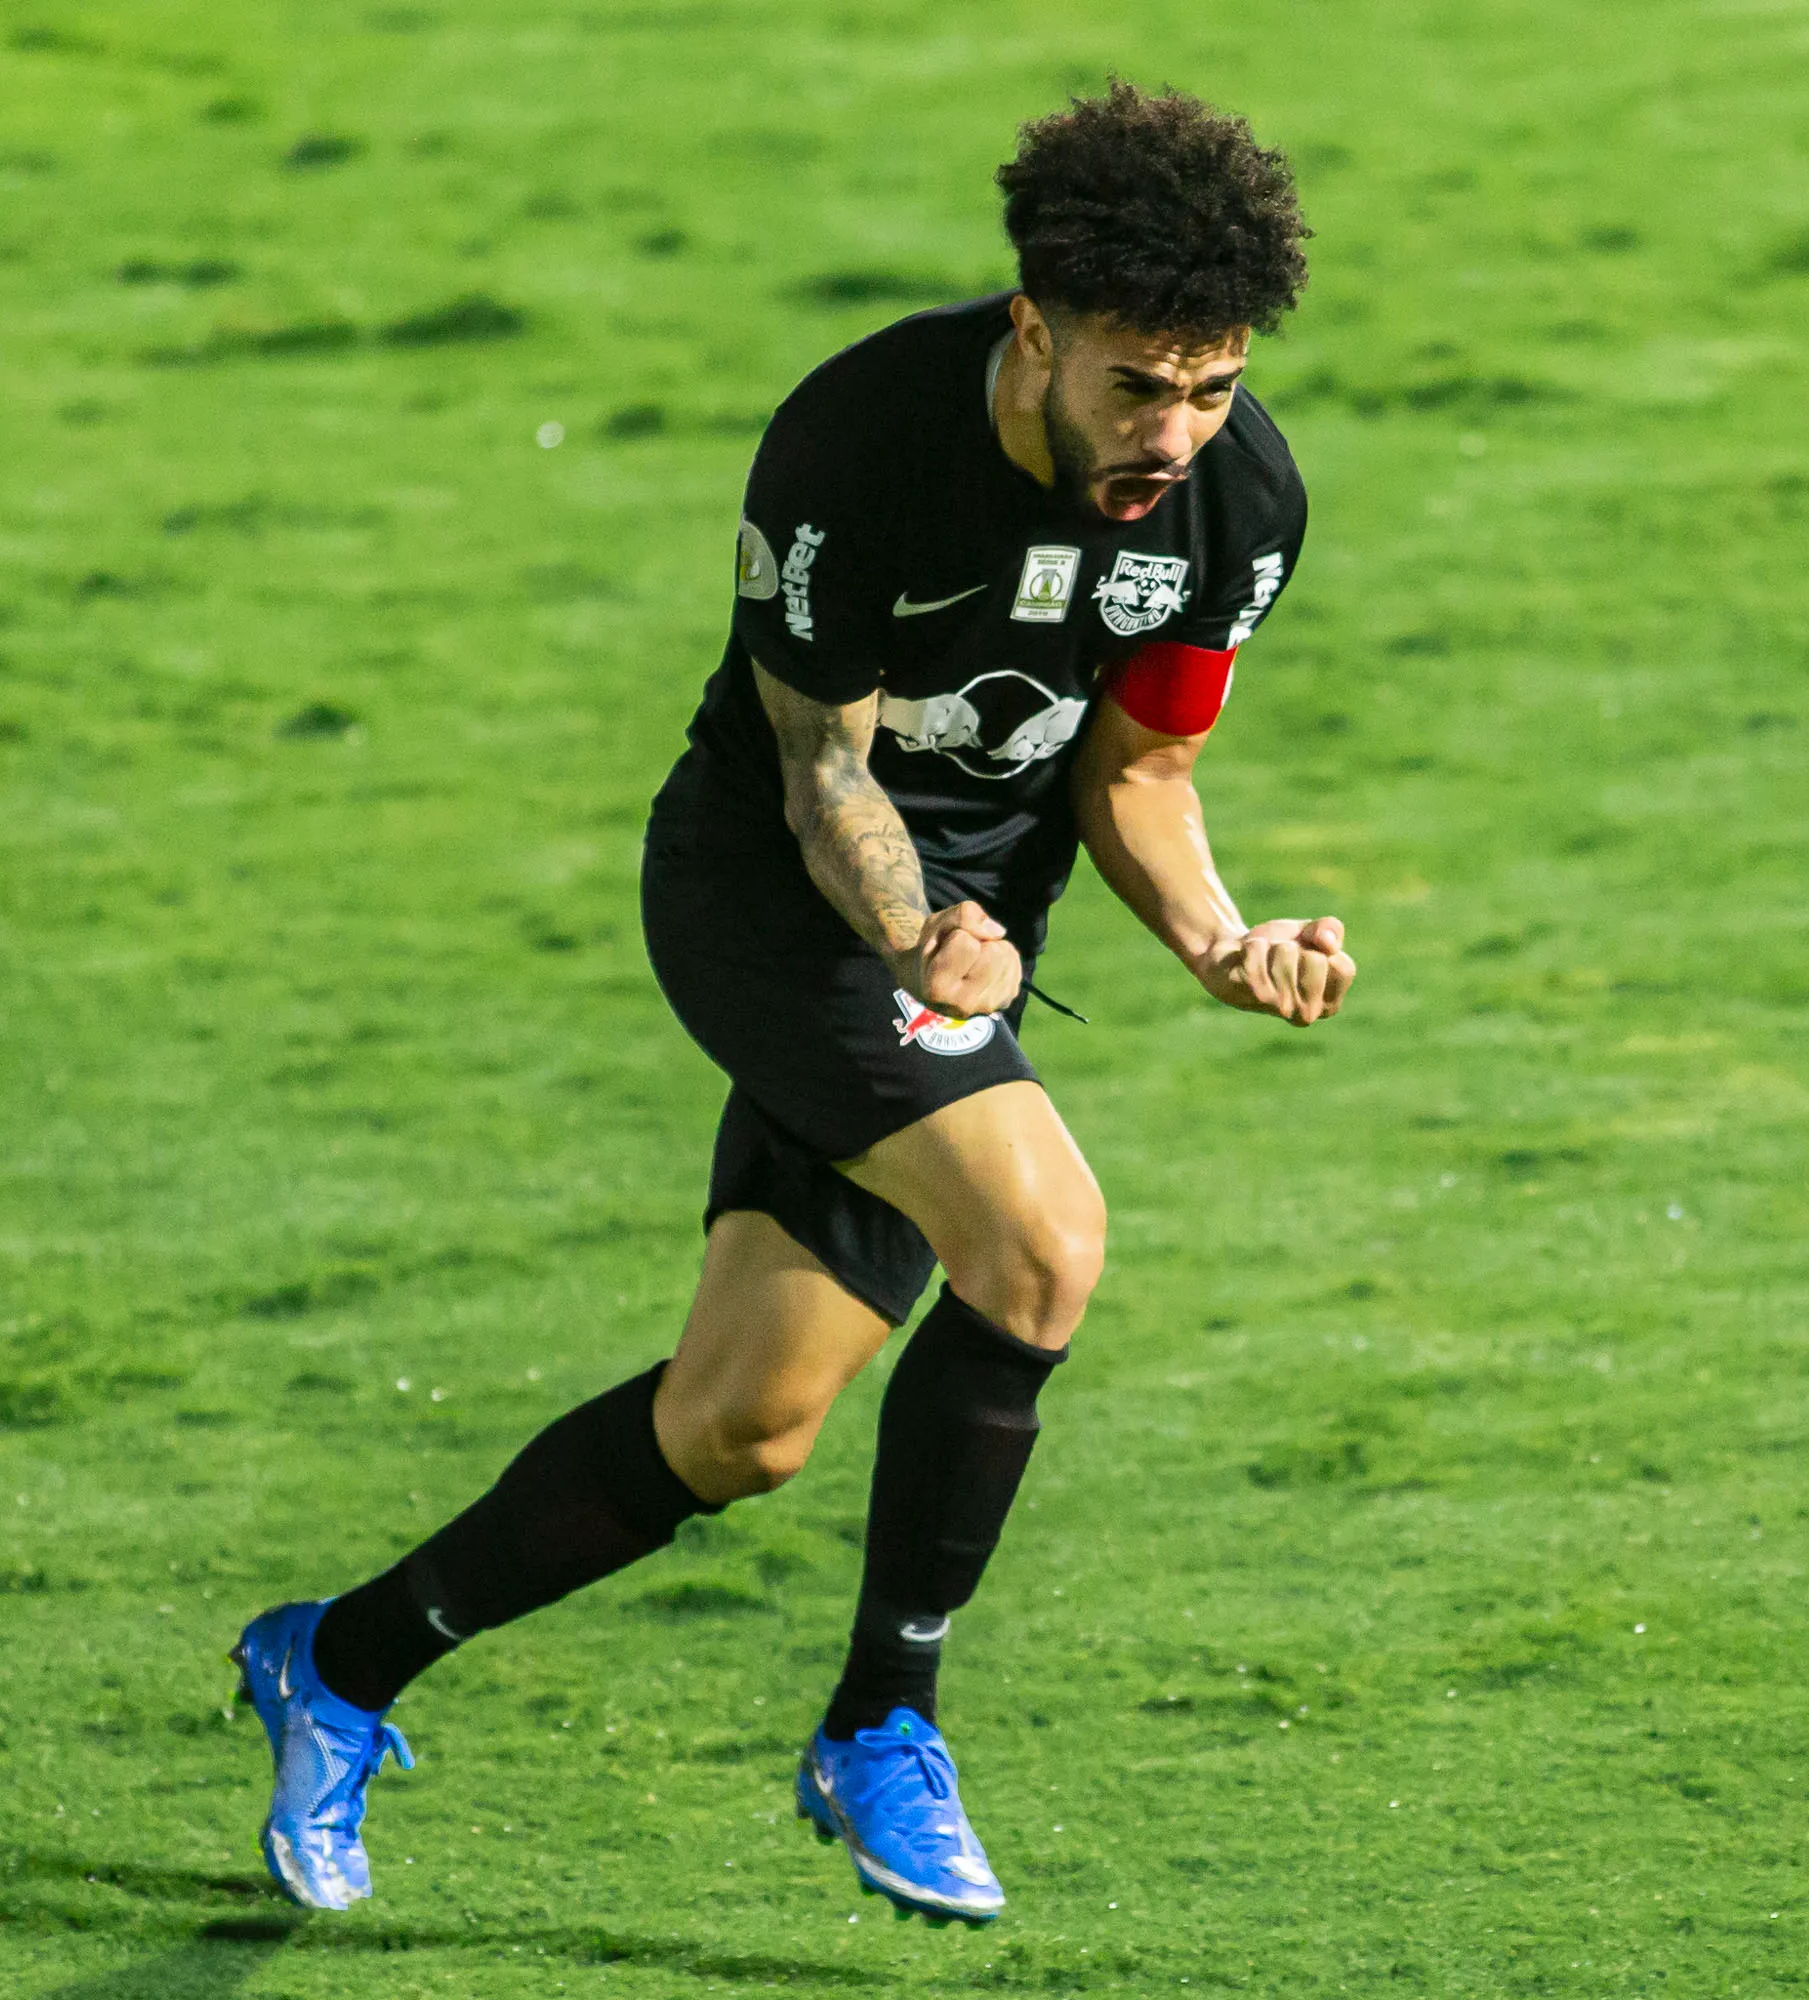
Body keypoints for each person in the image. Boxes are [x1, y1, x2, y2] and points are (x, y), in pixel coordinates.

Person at [229, 82, 1351, 1926]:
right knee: (1044, 1245)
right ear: (1034, 332)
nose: (1174, 429)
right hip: (775, 901)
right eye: (1137, 386)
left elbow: (1137, 778)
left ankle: (336, 1665)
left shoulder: (1238, 503)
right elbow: (822, 773)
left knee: (741, 1427)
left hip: (964, 940)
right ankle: (883, 1724)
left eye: (1210, 384)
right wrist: (918, 941)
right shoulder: (857, 443)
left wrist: (1223, 943)